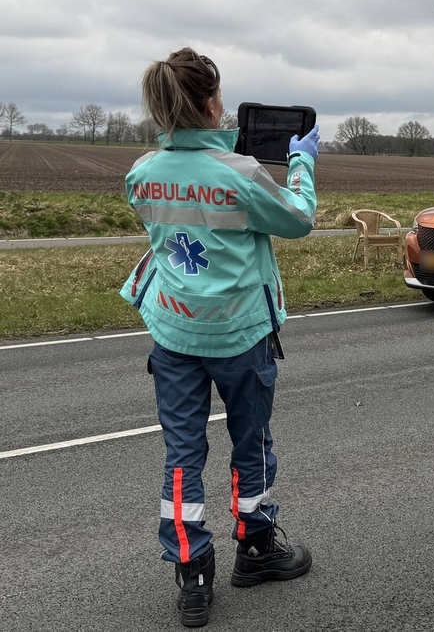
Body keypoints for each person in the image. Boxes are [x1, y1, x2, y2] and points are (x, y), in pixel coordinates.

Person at [121, 48, 316, 627]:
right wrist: (301, 163)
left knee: (182, 457)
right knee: (249, 444)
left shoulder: (143, 173)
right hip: (240, 335)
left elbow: (170, 215)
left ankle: (192, 573)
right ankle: (255, 548)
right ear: (211, 103)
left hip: (175, 334)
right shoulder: (242, 174)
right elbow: (298, 218)